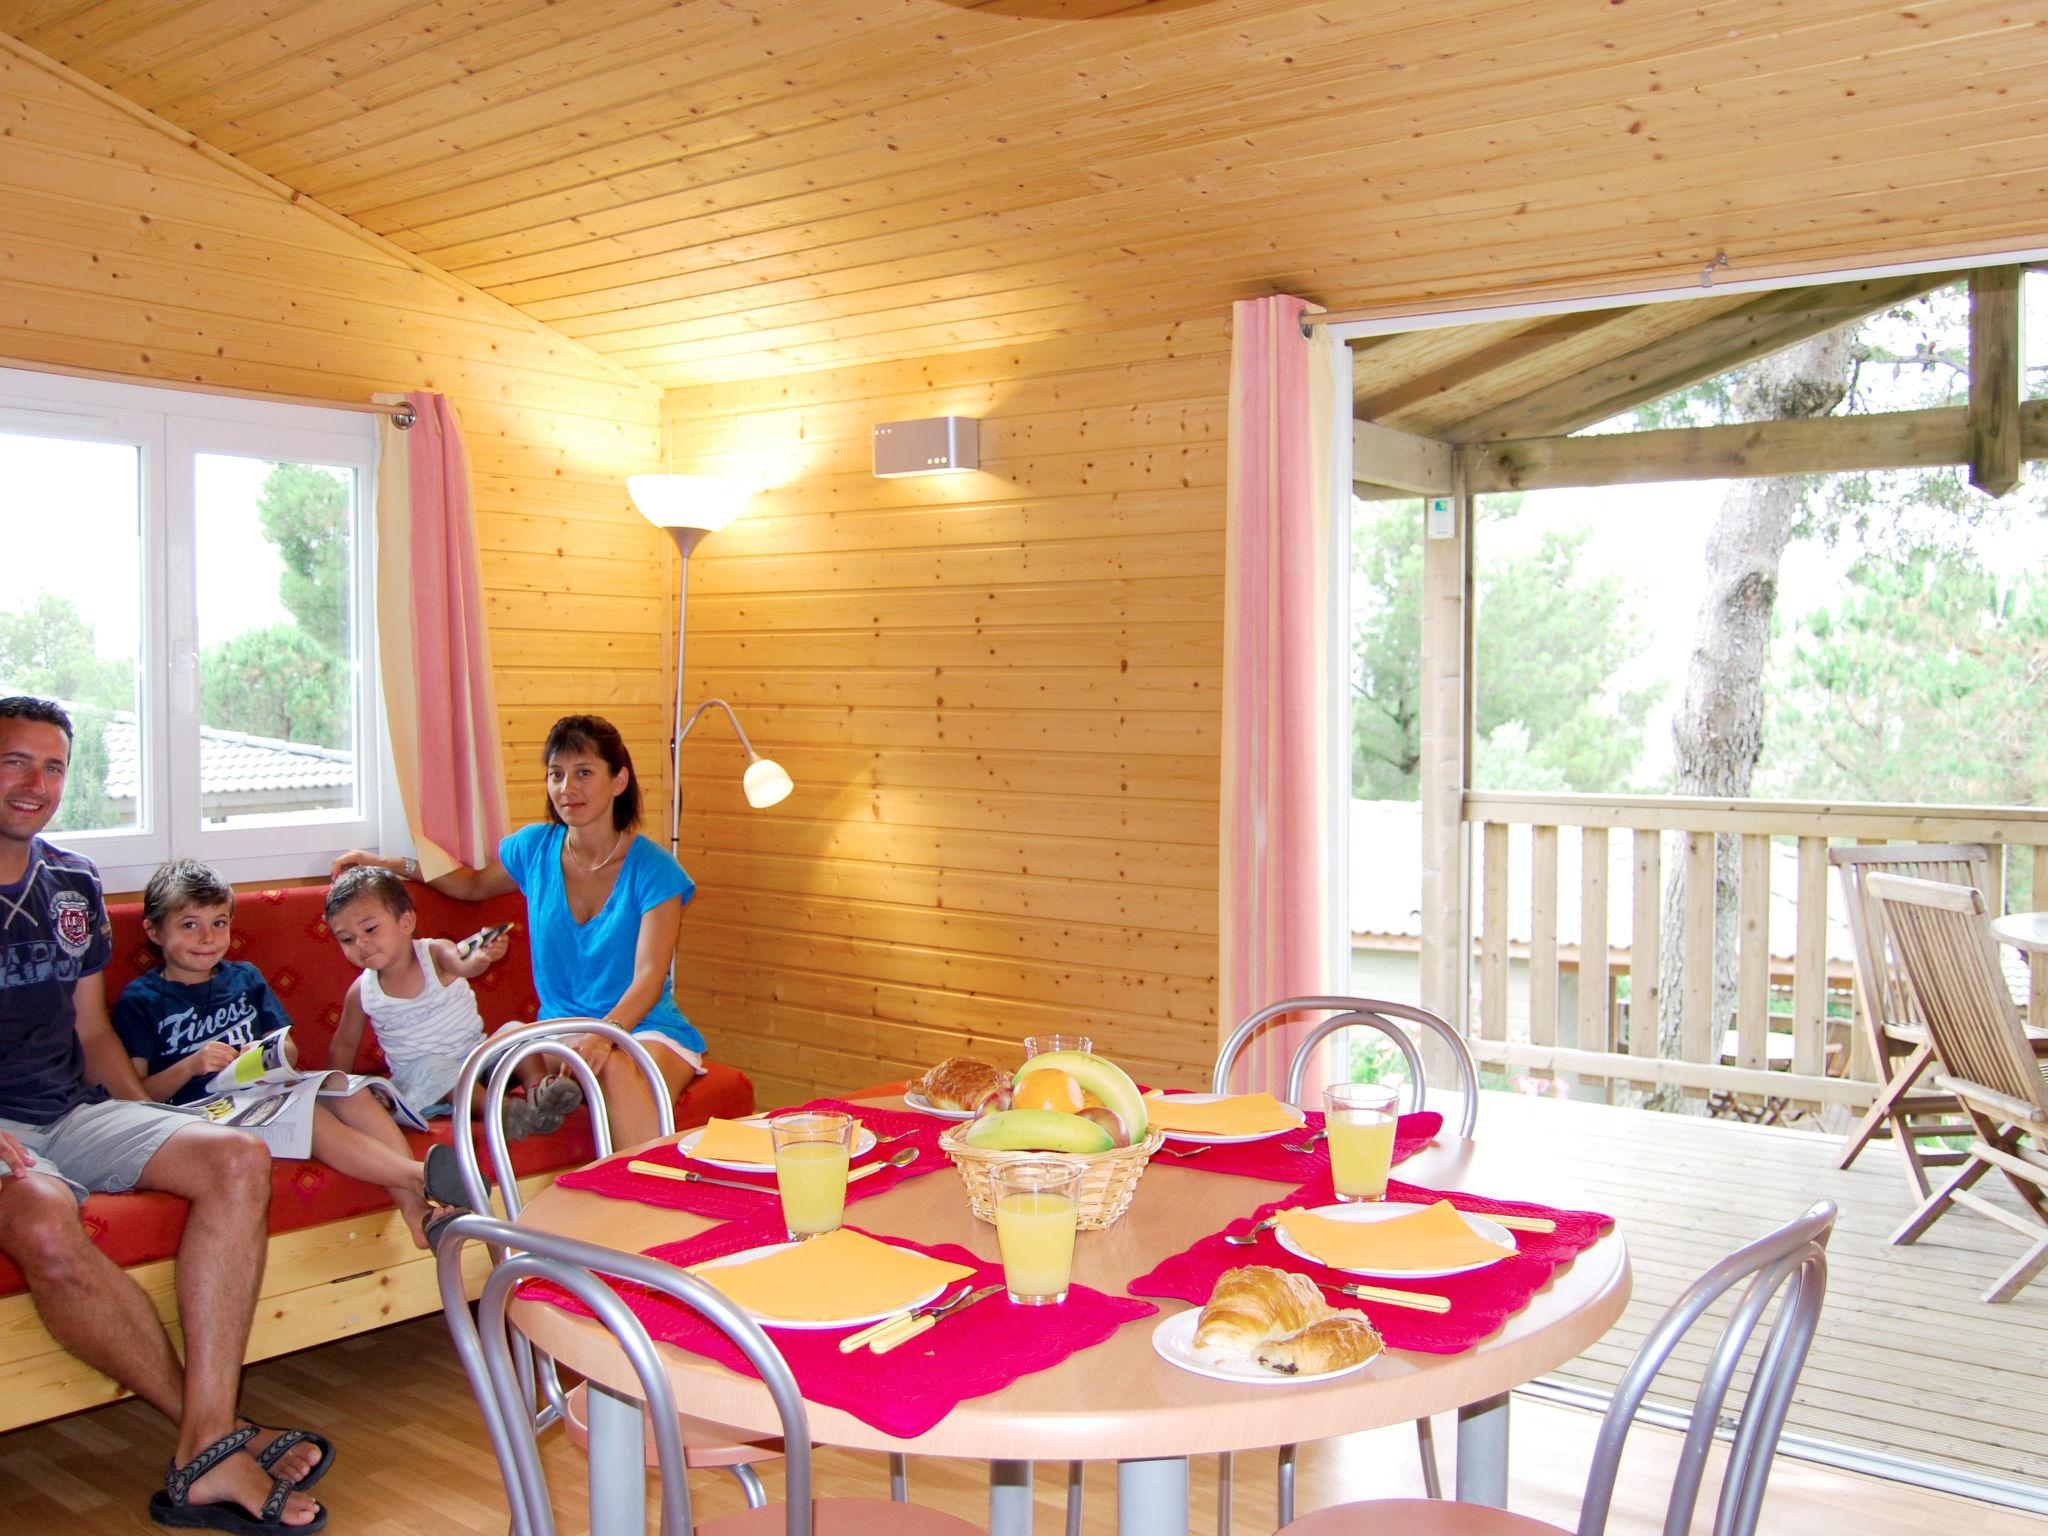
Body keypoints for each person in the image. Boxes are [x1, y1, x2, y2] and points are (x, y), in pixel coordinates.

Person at [0, 697, 325, 1533]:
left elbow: (91, 1029)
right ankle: (216, 1445)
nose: (35, 783)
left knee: (233, 1158)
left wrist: (149, 1123)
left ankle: (205, 1444)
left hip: (73, 1109)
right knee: (42, 1217)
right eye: (15, 762)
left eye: (53, 766)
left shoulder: (69, 883)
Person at [332, 713, 698, 1148]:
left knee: (614, 1066)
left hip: (644, 1026)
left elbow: (650, 977)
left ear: (619, 781)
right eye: (556, 775)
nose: (568, 788)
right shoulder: (535, 848)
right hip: (559, 1029)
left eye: (584, 773)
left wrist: (606, 1036)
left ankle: (650, 1200)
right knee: (508, 1043)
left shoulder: (655, 870)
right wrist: (390, 865)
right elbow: (469, 885)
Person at [112, 859, 468, 1251]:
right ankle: (419, 1176)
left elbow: (289, 1047)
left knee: (350, 1091)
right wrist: (191, 1065)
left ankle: (415, 1216)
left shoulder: (244, 978)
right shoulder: (140, 1000)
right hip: (205, 1111)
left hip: (267, 1088)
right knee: (309, 1116)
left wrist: (260, 1053)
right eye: (189, 925)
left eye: (219, 922)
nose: (208, 937)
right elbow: (139, 1092)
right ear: (153, 931)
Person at [322, 865, 578, 1139]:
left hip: (477, 1060)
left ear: (406, 922)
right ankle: (501, 1112)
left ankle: (539, 1092)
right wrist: (334, 1093)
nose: (361, 944)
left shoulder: (434, 953)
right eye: (347, 939)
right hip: (424, 1084)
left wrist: (481, 958)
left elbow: (462, 962)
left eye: (370, 929)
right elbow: (345, 1044)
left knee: (515, 1030)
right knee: (438, 1068)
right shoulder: (362, 991)